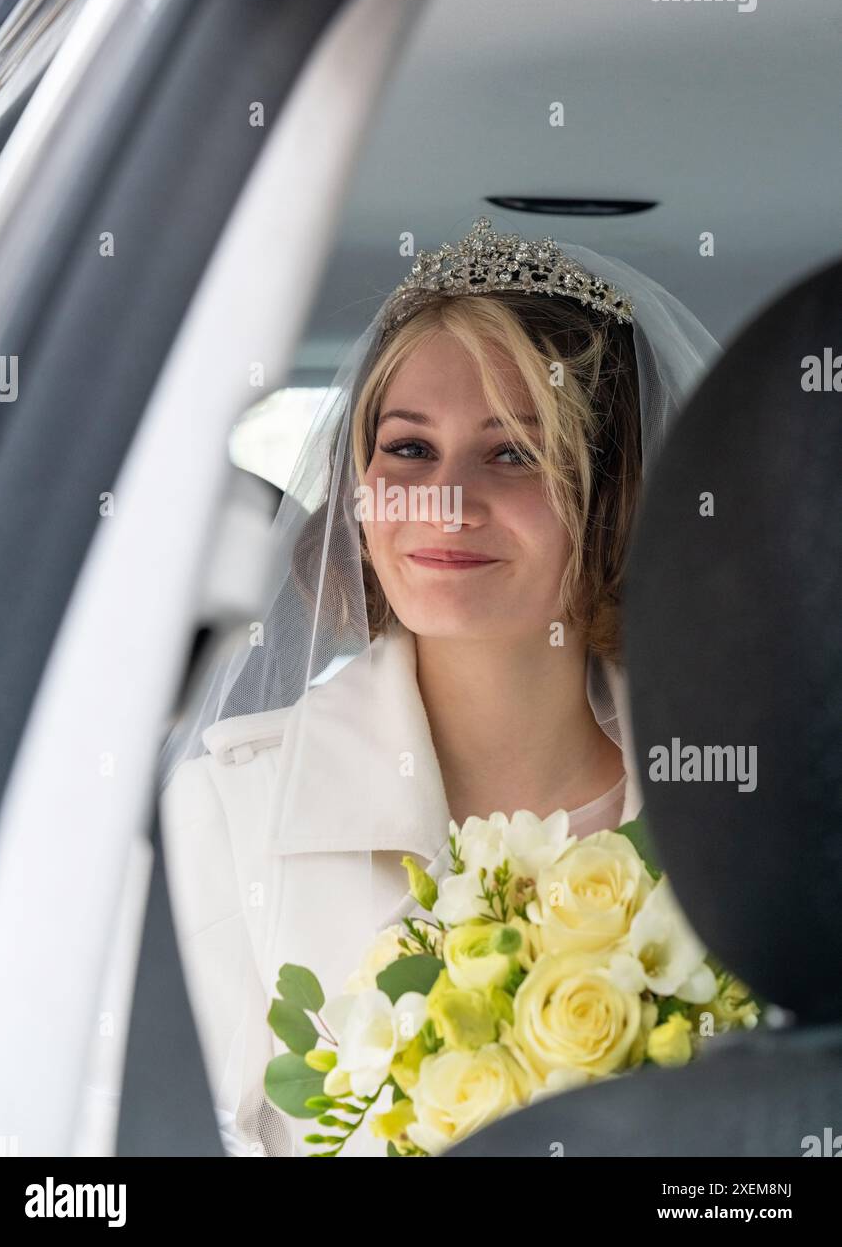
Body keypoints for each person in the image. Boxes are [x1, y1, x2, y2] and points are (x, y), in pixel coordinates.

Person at [157, 216, 721, 1156]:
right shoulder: (227, 809)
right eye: (408, 450)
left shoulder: (737, 806)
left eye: (513, 453)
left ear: (608, 491)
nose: (444, 502)